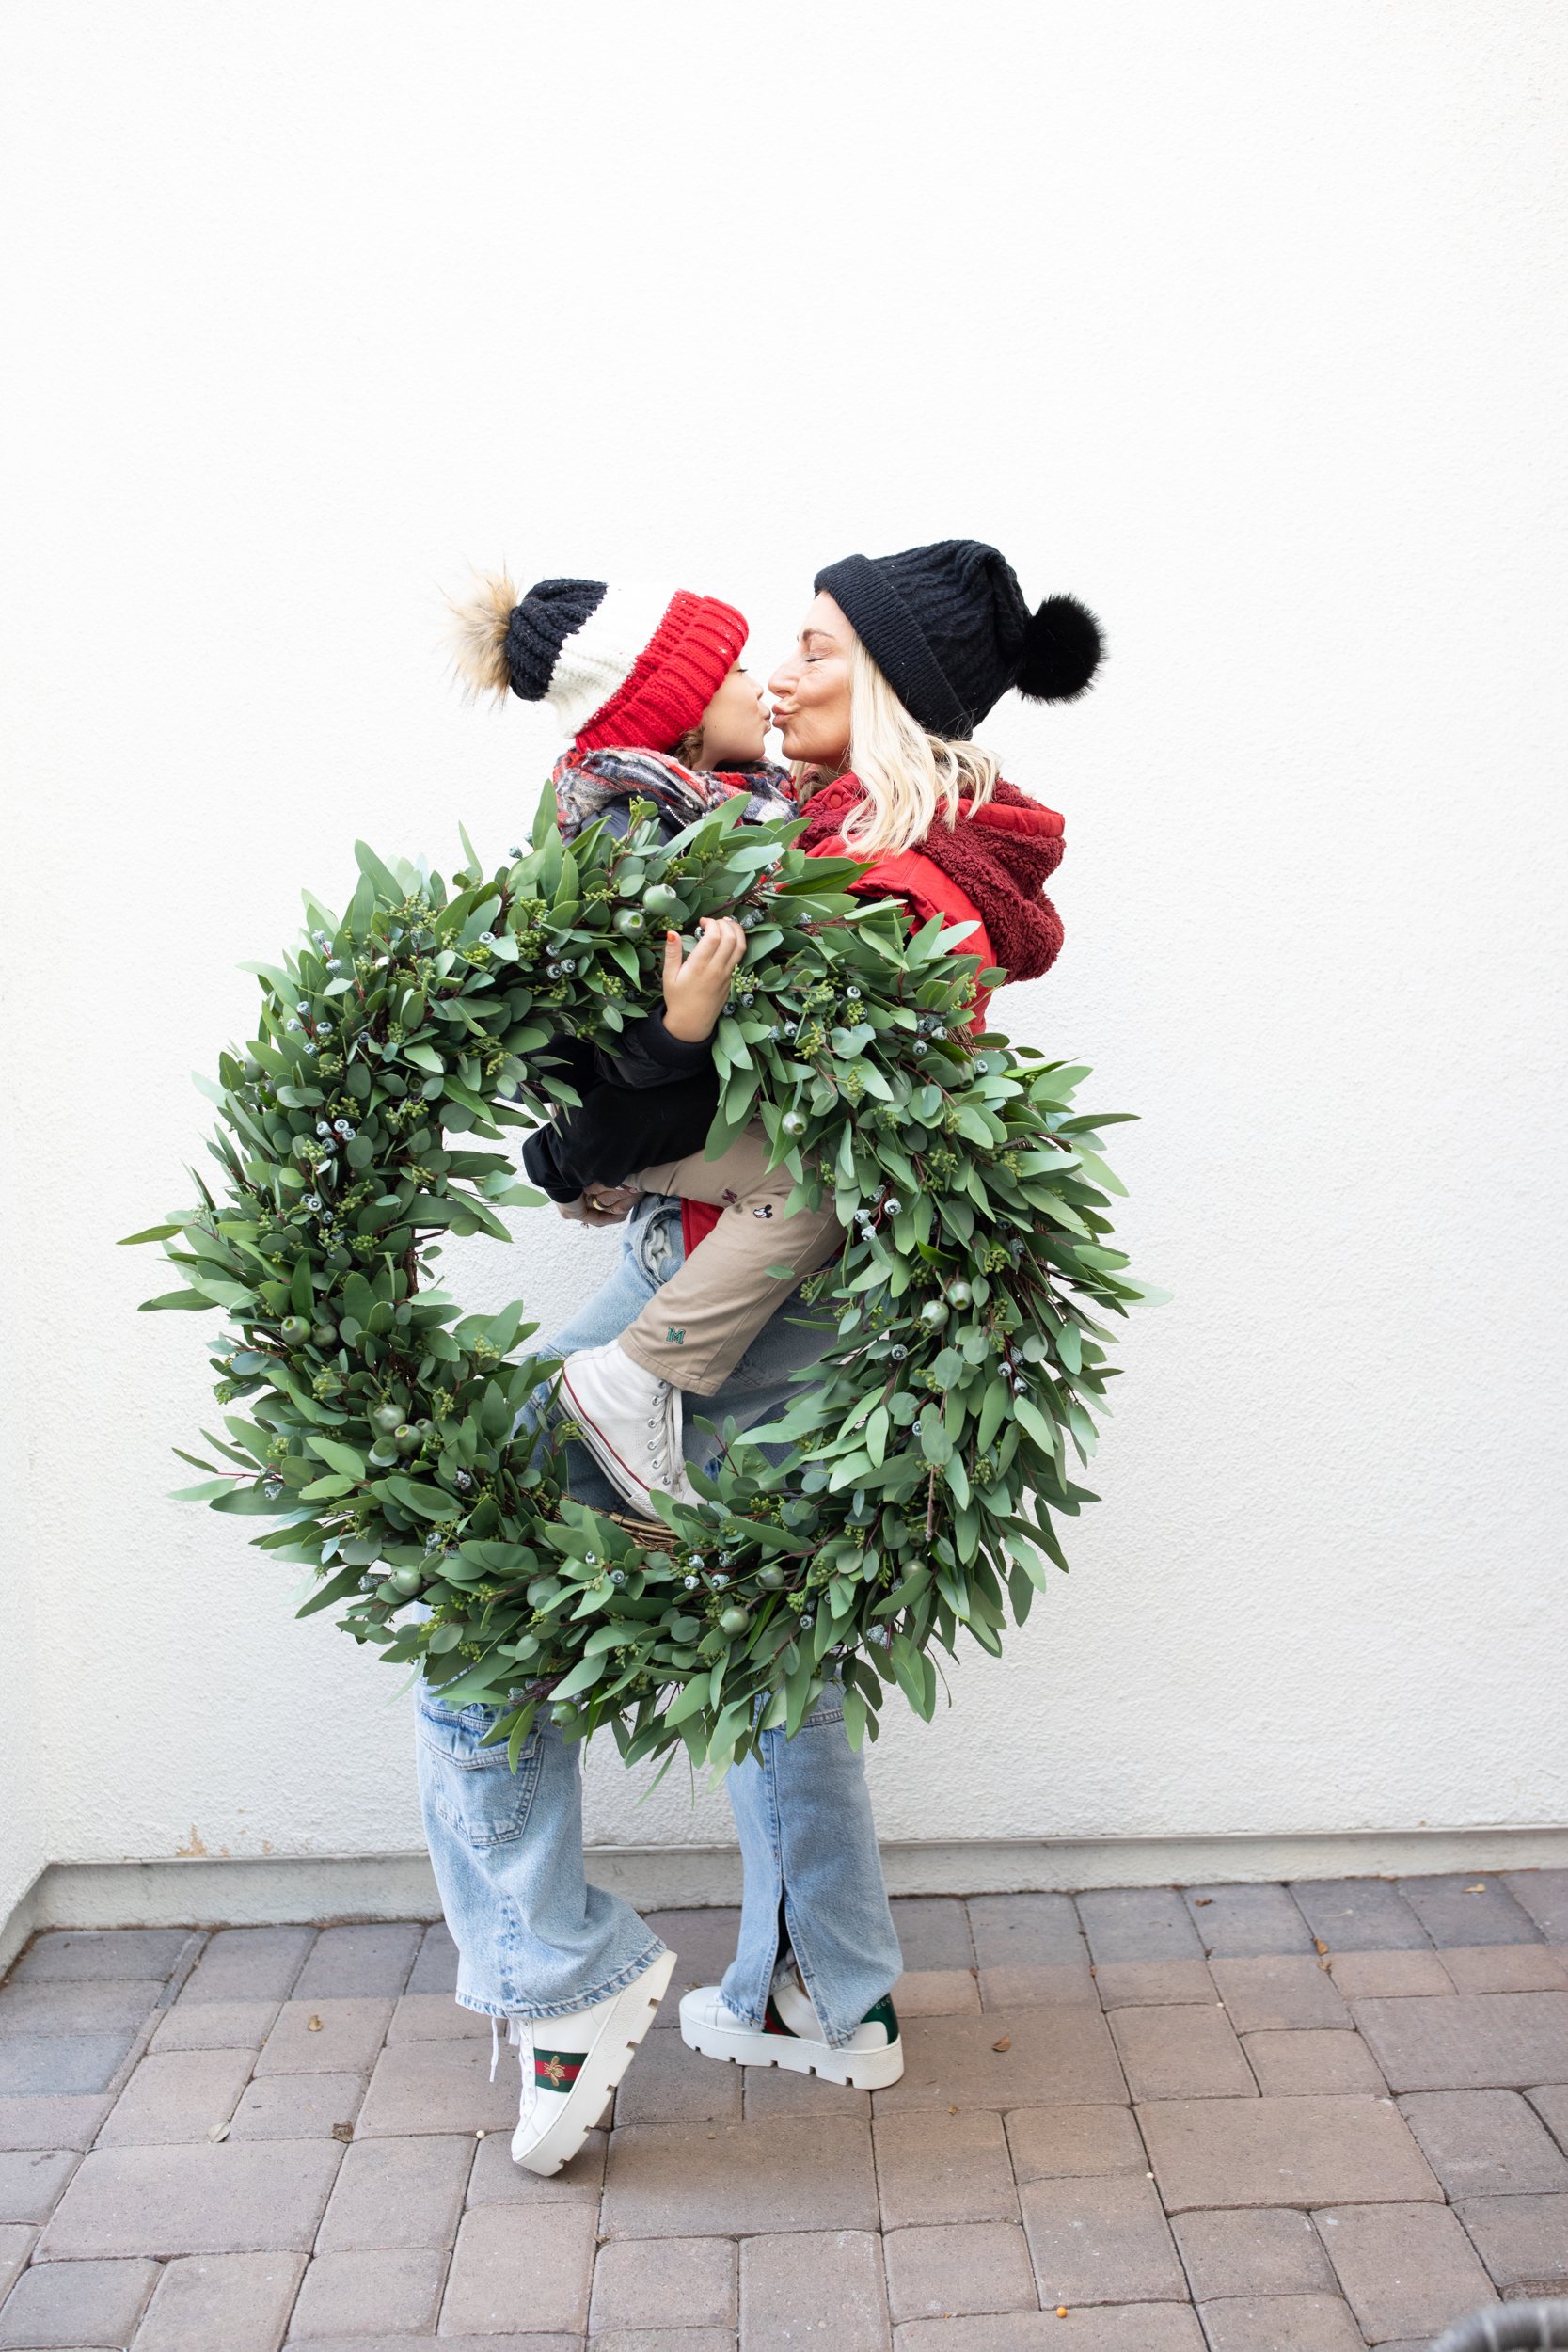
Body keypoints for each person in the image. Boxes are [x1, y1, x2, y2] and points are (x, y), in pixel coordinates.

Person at [420, 542, 1102, 2175]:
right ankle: (825, 1994)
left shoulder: (888, 890)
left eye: (813, 647)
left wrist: (636, 1115)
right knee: (777, 1648)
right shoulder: (824, 844)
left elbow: (798, 1136)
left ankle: (559, 1972)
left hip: (742, 1301)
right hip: (741, 1280)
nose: (782, 677)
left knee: (466, 1576)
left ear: (886, 689)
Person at [451, 569, 849, 1516]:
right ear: (674, 713)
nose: (763, 686)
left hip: (661, 1148)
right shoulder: (640, 837)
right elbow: (596, 1038)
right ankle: (619, 1384)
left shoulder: (721, 809)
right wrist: (680, 1026)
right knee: (805, 1184)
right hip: (653, 1133)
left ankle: (573, 1417)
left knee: (530, 1469)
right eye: (733, 672)